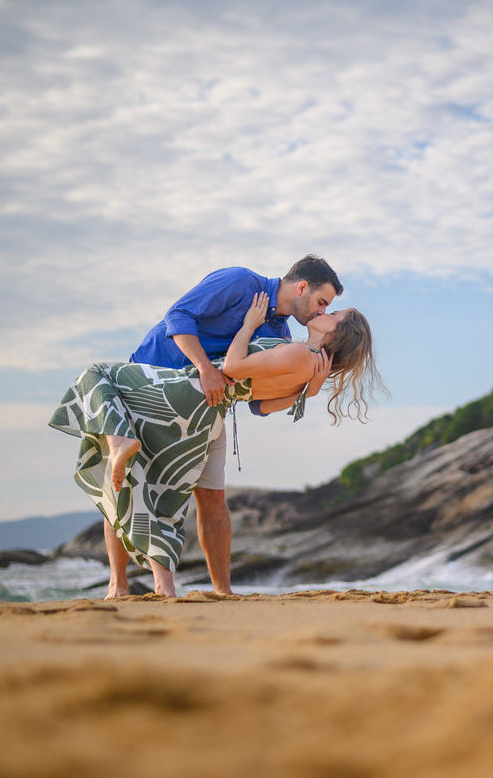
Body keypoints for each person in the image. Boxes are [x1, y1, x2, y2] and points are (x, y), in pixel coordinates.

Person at [49, 293, 382, 597]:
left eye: (335, 312)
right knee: (163, 489)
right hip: (210, 413)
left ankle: (119, 440)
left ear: (339, 332)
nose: (326, 310)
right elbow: (262, 405)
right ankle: (165, 585)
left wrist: (249, 325)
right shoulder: (308, 366)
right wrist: (306, 393)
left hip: (190, 389)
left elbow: (234, 366)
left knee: (96, 375)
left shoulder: (301, 354)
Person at [115, 255, 343, 596]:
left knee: (213, 499)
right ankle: (118, 584)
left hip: (205, 408)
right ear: (301, 287)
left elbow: (258, 405)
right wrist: (206, 369)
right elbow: (177, 316)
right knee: (127, 482)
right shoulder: (240, 282)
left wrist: (307, 393)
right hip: (152, 380)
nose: (322, 311)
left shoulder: (280, 334)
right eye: (321, 302)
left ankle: (223, 591)